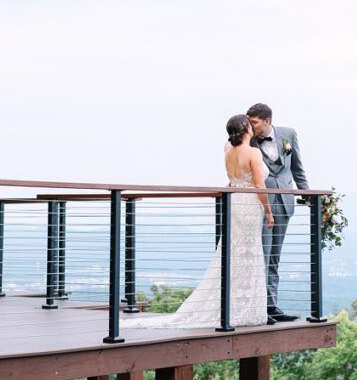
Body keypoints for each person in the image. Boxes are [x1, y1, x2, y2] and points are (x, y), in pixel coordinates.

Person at [124, 114, 272, 330]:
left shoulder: (227, 150)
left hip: (234, 203)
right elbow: (260, 186)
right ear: (246, 130)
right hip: (249, 205)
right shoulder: (253, 153)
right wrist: (269, 212)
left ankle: (232, 306)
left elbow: (232, 180)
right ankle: (244, 308)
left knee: (233, 253)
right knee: (248, 254)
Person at [247, 102, 309, 324]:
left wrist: (306, 193)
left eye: (254, 122)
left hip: (284, 203)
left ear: (267, 121)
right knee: (262, 255)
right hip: (260, 204)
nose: (250, 126)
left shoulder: (288, 135)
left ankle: (271, 305)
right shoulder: (248, 140)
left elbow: (297, 168)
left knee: (274, 257)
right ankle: (259, 307)